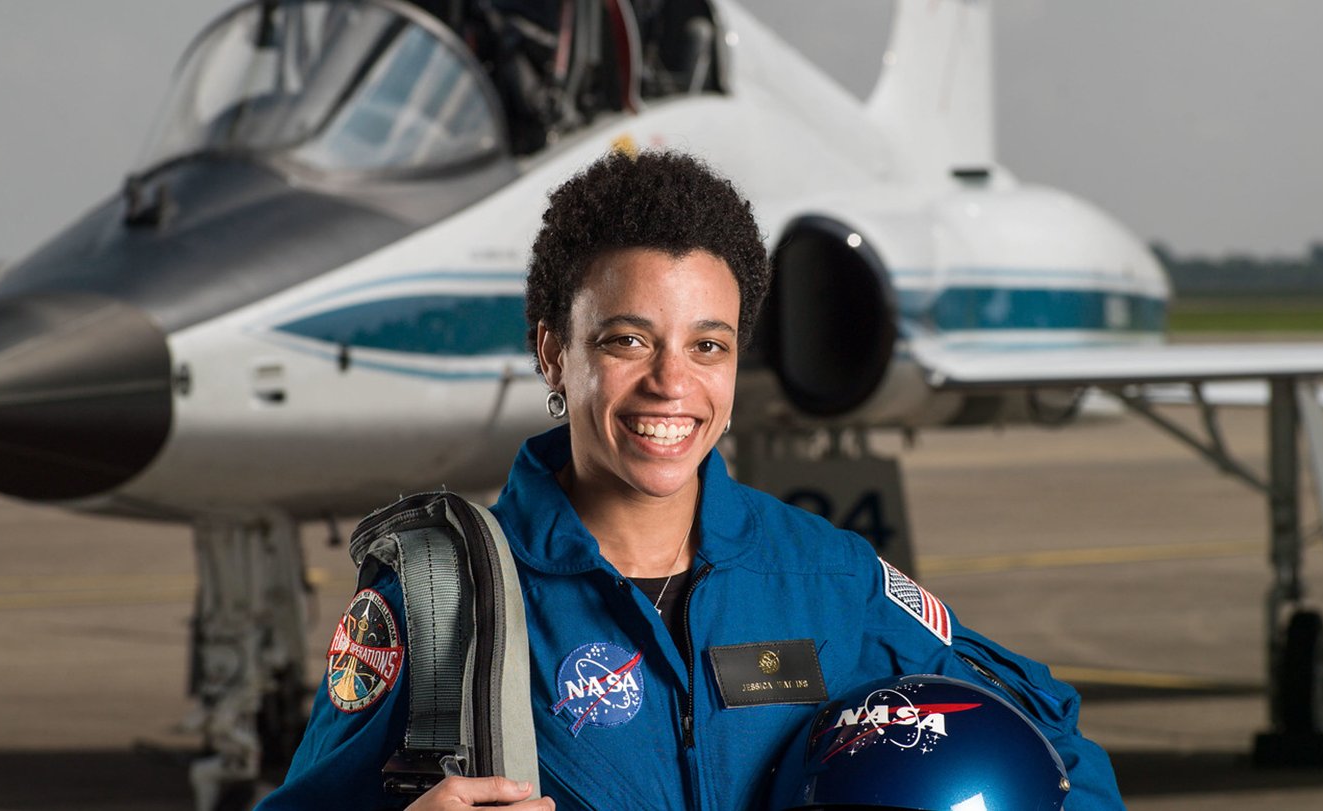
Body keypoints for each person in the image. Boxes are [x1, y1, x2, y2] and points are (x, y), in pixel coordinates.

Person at [256, 150, 1123, 810]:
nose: (673, 383)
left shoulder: (827, 577)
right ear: (555, 350)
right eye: (628, 340)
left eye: (708, 345)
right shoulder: (444, 602)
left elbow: (1055, 744)